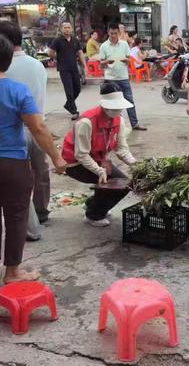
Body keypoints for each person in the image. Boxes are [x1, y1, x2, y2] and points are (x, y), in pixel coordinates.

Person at [0, 35, 66, 282]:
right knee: (16, 216)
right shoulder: (17, 91)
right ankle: (12, 272)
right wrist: (57, 158)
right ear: (7, 62)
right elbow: (38, 128)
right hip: (12, 163)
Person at [61, 82, 137, 227]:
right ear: (104, 105)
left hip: (99, 160)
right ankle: (93, 215)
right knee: (117, 185)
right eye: (113, 108)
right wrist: (99, 170)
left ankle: (92, 204)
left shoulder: (119, 120)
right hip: (76, 163)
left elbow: (121, 149)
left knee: (123, 182)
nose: (117, 111)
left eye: (119, 108)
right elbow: (81, 155)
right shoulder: (86, 122)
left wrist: (135, 164)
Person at [1, 21, 51, 236]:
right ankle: (41, 210)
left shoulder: (5, 68)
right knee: (40, 172)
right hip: (38, 126)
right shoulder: (38, 64)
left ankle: (30, 227)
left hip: (15, 131)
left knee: (19, 183)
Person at [100, 23, 147, 131]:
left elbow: (129, 59)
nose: (113, 36)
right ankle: (112, 125)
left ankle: (134, 124)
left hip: (123, 77)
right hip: (110, 78)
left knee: (129, 101)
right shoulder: (104, 46)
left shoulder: (124, 44)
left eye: (115, 33)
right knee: (112, 104)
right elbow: (101, 64)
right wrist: (106, 61)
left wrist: (127, 60)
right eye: (111, 33)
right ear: (108, 33)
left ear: (119, 33)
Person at [49, 21, 87, 120]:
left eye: (69, 27)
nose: (67, 29)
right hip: (64, 69)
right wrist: (59, 58)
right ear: (62, 29)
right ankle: (74, 111)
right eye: (65, 27)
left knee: (77, 89)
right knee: (69, 91)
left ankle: (68, 105)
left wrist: (85, 65)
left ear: (71, 29)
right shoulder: (57, 40)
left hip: (74, 68)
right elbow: (51, 53)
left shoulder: (75, 40)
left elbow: (80, 53)